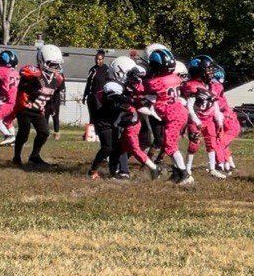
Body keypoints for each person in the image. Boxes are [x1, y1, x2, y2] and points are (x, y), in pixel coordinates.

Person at [144, 48, 193, 185]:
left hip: (172, 115)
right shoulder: (175, 78)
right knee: (168, 144)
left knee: (170, 146)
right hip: (179, 112)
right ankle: (178, 173)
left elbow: (146, 91)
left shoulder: (156, 82)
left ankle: (184, 174)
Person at [13, 44, 65, 167]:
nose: (55, 67)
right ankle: (16, 157)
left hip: (38, 110)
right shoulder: (34, 74)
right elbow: (23, 73)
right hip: (25, 108)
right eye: (52, 64)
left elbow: (54, 94)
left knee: (44, 132)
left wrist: (52, 106)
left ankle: (34, 156)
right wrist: (33, 84)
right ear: (42, 61)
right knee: (24, 133)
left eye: (57, 64)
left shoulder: (57, 79)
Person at [88, 56, 134, 180]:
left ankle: (114, 171)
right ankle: (92, 170)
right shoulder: (112, 84)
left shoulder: (125, 86)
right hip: (103, 120)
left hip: (112, 120)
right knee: (107, 147)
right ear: (119, 72)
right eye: (129, 74)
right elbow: (114, 95)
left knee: (118, 147)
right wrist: (130, 100)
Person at [183, 55, 227, 179]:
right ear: (199, 71)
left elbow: (215, 104)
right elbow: (189, 106)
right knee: (194, 144)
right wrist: (196, 121)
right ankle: (187, 169)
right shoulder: (192, 86)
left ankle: (212, 168)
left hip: (208, 119)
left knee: (211, 143)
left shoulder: (211, 85)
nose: (211, 72)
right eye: (208, 69)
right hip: (196, 118)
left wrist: (218, 119)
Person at [0, 50, 20, 146]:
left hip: (9, 102)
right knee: (7, 121)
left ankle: (8, 136)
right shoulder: (16, 73)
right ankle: (13, 141)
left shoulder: (1, 70)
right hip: (17, 101)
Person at [83, 49, 109, 129]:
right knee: (92, 115)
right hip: (92, 96)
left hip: (101, 97)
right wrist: (85, 95)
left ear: (103, 59)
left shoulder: (106, 69)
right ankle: (91, 133)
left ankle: (99, 132)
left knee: (100, 116)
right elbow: (88, 83)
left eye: (99, 59)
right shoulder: (92, 69)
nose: (97, 61)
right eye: (96, 59)